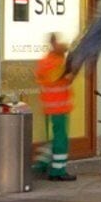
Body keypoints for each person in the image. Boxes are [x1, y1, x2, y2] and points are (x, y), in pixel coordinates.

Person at [34, 32, 76, 181]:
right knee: (61, 140)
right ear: (53, 44)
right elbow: (66, 79)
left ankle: (42, 163)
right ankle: (58, 171)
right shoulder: (56, 63)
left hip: (50, 107)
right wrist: (71, 70)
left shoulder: (46, 62)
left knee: (54, 137)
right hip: (59, 108)